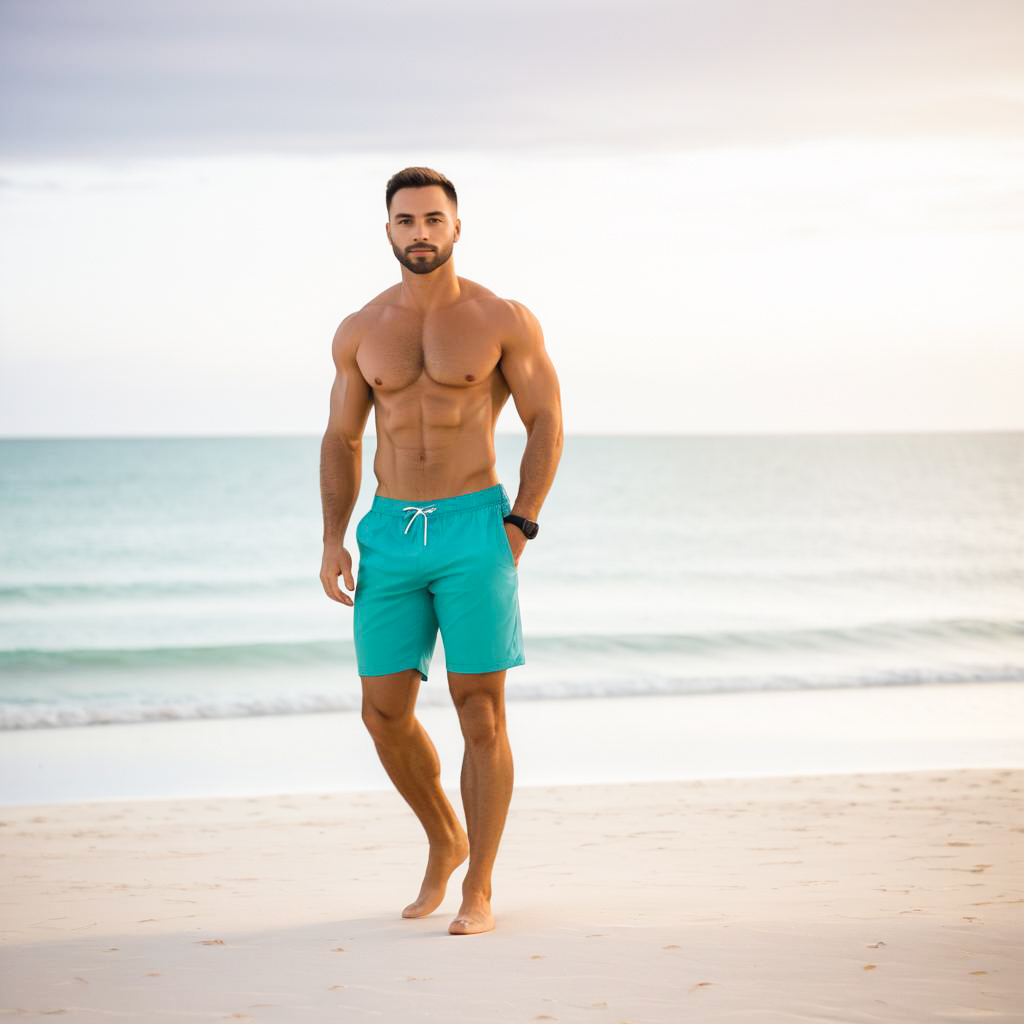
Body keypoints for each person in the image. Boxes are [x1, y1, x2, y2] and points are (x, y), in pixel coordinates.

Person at [319, 166, 563, 935]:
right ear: (386, 230)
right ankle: (444, 838)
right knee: (383, 710)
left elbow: (547, 419)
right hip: (390, 530)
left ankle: (480, 889)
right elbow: (341, 438)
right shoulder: (360, 329)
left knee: (479, 709)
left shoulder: (502, 318)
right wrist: (333, 537)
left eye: (432, 219)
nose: (419, 232)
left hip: (473, 527)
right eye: (404, 221)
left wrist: (521, 522)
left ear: (457, 227)